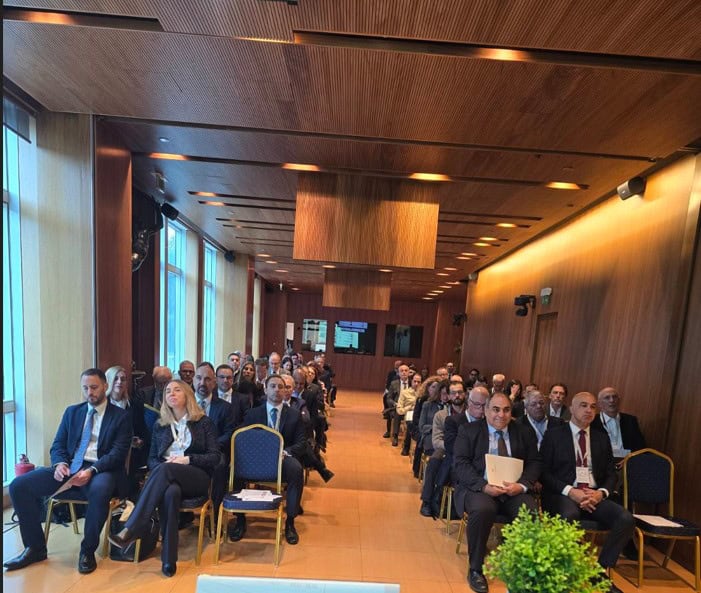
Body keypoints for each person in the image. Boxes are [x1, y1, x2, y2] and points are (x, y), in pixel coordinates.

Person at [5, 368, 131, 574]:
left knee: (100, 490)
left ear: (105, 386)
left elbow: (117, 454)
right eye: (85, 388)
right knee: (19, 486)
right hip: (71, 467)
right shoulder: (72, 412)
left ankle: (87, 551)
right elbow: (58, 445)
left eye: (94, 387)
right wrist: (59, 464)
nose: (89, 392)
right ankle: (35, 548)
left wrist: (92, 470)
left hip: (101, 469)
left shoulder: (121, 417)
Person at [109, 380, 221, 577]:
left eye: (177, 390)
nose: (171, 393)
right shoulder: (160, 425)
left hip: (197, 476)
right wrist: (166, 466)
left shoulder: (203, 422)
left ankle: (133, 527)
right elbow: (152, 459)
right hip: (168, 478)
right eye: (168, 391)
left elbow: (215, 457)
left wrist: (187, 459)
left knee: (166, 469)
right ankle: (169, 560)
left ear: (187, 395)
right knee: (170, 493)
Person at [540, 392, 634, 593]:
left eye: (592, 406)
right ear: (571, 409)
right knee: (569, 515)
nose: (589, 410)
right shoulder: (554, 435)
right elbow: (544, 472)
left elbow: (611, 474)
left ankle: (598, 572)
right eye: (583, 405)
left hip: (593, 495)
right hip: (563, 494)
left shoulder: (601, 438)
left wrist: (601, 493)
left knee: (625, 519)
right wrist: (570, 491)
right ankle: (567, 572)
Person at [453, 392, 541, 593]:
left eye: (506, 410)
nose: (501, 415)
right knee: (483, 510)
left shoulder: (524, 432)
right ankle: (476, 569)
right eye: (495, 409)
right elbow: (460, 464)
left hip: (514, 488)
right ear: (485, 411)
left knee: (529, 511)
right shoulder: (469, 430)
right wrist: (483, 486)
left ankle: (524, 569)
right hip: (480, 487)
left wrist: (522, 485)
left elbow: (535, 462)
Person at [228, 374, 307, 545]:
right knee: (237, 466)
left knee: (296, 470)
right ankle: (240, 519)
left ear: (285, 391)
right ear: (265, 389)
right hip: (257, 458)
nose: (277, 390)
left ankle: (290, 521)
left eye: (281, 387)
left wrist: (285, 452)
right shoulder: (253, 414)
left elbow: (302, 443)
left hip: (282, 458)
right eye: (273, 386)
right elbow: (244, 439)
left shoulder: (294, 415)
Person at [106, 365, 150, 495]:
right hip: (107, 451)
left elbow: (143, 431)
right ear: (108, 381)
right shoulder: (102, 405)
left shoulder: (135, 404)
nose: (119, 382)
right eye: (115, 378)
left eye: (123, 379)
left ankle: (127, 499)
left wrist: (140, 441)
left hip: (131, 453)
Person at [592, 387, 646, 460]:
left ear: (619, 400)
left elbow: (640, 446)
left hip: (627, 461)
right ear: (599, 403)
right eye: (607, 398)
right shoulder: (592, 421)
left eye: (614, 397)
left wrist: (631, 460)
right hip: (602, 462)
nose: (612, 400)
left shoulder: (630, 420)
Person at [393, 372, 422, 455]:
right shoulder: (405, 392)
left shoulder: (423, 393)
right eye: (414, 381)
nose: (416, 384)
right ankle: (406, 447)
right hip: (410, 414)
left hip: (420, 414)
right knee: (411, 424)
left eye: (419, 382)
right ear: (411, 381)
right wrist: (409, 407)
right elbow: (399, 409)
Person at [383, 364, 410, 438]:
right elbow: (388, 398)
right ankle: (395, 435)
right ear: (398, 373)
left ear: (409, 373)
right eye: (402, 371)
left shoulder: (412, 383)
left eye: (406, 371)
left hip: (409, 408)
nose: (404, 372)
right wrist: (395, 404)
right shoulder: (394, 383)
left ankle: (408, 437)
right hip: (397, 406)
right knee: (397, 413)